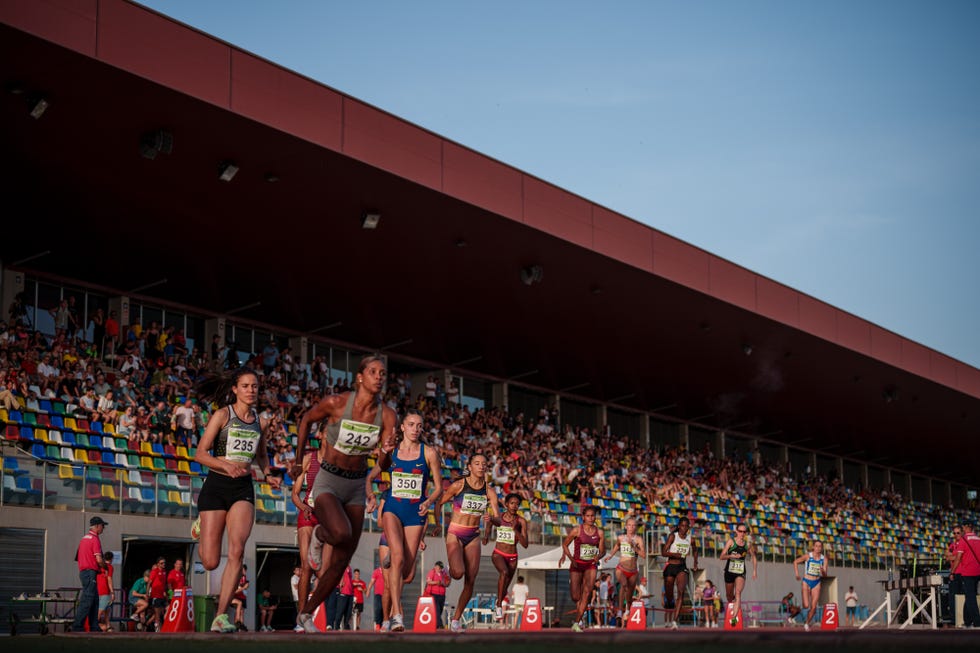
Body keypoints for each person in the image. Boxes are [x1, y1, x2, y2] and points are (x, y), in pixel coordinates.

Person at [289, 354, 397, 634]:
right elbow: (305, 421)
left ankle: (306, 613)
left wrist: (386, 451)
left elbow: (384, 466)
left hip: (356, 486)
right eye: (373, 371)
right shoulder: (337, 403)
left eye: (382, 373)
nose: (379, 376)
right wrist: (298, 459)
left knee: (340, 562)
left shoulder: (387, 415)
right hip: (328, 481)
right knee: (339, 533)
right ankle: (320, 535)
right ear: (360, 377)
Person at [193, 368, 281, 633]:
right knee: (209, 561)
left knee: (236, 550)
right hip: (217, 485)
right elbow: (200, 453)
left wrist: (268, 474)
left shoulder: (259, 422)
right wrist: (225, 466)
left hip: (243, 487)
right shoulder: (222, 415)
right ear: (235, 389)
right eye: (245, 386)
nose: (251, 390)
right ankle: (201, 524)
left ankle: (221, 616)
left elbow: (262, 456)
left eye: (255, 386)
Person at [366, 409, 442, 632]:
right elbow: (370, 477)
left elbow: (438, 488)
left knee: (407, 572)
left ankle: (395, 554)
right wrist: (371, 496)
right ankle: (397, 615)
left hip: (416, 512)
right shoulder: (392, 451)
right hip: (393, 508)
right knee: (398, 557)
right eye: (411, 424)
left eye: (419, 425)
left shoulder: (429, 453)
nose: (415, 429)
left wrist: (428, 503)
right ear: (402, 427)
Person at [439, 452, 502, 632]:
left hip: (473, 535)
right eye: (477, 463)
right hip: (455, 532)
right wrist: (436, 524)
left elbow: (499, 519)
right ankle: (449, 569)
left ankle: (456, 620)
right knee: (458, 573)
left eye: (484, 463)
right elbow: (439, 503)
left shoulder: (489, 492)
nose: (481, 466)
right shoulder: (458, 485)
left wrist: (492, 519)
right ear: (469, 467)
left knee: (471, 580)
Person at [559, 504, 605, 632]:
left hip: (591, 565)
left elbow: (603, 551)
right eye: (588, 516)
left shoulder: (599, 532)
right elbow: (565, 545)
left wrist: (598, 556)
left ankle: (577, 622)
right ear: (583, 517)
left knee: (587, 592)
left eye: (593, 516)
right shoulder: (576, 530)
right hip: (577, 564)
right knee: (575, 596)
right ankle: (581, 612)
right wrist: (571, 559)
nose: (591, 518)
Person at [485, 492, 529, 620]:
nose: (515, 506)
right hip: (498, 553)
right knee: (503, 572)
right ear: (506, 504)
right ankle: (499, 605)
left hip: (512, 557)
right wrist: (486, 536)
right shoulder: (500, 518)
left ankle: (498, 600)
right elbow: (490, 522)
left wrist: (515, 530)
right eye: (512, 503)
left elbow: (525, 544)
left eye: (517, 504)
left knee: (505, 588)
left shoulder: (521, 521)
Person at [290, 447, 321, 621]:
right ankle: (301, 616)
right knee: (306, 566)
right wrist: (304, 507)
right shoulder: (310, 460)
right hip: (308, 514)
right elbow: (295, 494)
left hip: (326, 516)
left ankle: (318, 614)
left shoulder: (337, 460)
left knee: (323, 570)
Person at [604, 517, 645, 626]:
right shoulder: (621, 538)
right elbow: (617, 546)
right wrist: (610, 556)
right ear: (626, 526)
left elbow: (643, 555)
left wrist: (634, 547)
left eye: (634, 525)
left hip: (633, 571)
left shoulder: (638, 539)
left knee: (630, 596)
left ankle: (627, 609)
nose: (631, 527)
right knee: (624, 584)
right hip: (621, 568)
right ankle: (619, 611)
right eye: (629, 525)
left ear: (636, 527)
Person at [662, 516, 699, 629]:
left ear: (688, 527)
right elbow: (663, 552)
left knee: (681, 591)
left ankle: (674, 621)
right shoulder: (673, 536)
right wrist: (674, 554)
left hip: (682, 566)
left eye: (686, 526)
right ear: (679, 526)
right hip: (670, 566)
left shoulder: (690, 539)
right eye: (682, 526)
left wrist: (695, 562)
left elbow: (695, 550)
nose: (684, 528)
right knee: (669, 591)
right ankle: (670, 603)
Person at [72, 515, 107, 633]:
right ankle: (77, 626)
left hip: (84, 572)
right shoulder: (95, 539)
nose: (103, 528)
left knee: (94, 600)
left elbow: (78, 557)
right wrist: (105, 566)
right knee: (87, 599)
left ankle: (94, 626)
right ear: (97, 526)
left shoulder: (83, 539)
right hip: (90, 573)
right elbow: (99, 559)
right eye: (102, 526)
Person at [720, 523, 757, 627]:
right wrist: (731, 555)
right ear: (736, 531)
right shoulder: (731, 542)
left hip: (740, 572)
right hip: (729, 571)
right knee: (729, 596)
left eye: (744, 532)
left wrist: (754, 571)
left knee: (738, 593)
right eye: (740, 531)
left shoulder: (747, 544)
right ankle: (732, 607)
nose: (742, 534)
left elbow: (753, 557)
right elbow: (721, 556)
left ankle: (733, 618)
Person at [950, 521, 980, 628]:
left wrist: (952, 571)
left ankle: (977, 621)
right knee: (969, 595)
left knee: (970, 596)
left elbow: (958, 558)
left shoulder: (964, 540)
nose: (961, 530)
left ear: (966, 527)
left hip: (968, 572)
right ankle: (967, 621)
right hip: (978, 571)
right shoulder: (978, 539)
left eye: (962, 528)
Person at [793, 540, 828, 631]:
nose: (818, 548)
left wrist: (823, 571)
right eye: (816, 546)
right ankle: (797, 612)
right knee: (806, 605)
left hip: (816, 582)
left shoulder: (824, 559)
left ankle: (807, 623)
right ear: (813, 547)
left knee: (813, 607)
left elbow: (825, 575)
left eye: (820, 546)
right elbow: (795, 562)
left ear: (822, 548)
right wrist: (797, 574)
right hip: (806, 581)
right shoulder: (808, 556)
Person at [424, 561, 450, 630]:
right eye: (439, 567)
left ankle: (435, 625)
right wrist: (436, 582)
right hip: (434, 594)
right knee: (437, 610)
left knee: (440, 610)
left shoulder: (443, 574)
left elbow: (447, 584)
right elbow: (428, 581)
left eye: (441, 568)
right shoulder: (432, 572)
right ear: (435, 566)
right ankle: (440, 625)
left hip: (442, 595)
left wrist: (443, 583)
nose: (440, 569)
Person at [147, 557, 168, 631]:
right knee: (157, 614)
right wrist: (147, 594)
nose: (163, 564)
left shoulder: (164, 572)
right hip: (155, 596)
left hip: (162, 595)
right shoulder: (154, 571)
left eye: (164, 563)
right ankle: (157, 628)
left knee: (168, 609)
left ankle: (149, 624)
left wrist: (165, 593)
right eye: (162, 563)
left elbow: (163, 584)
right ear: (158, 564)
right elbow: (149, 583)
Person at [96, 551, 115, 632]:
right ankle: (94, 625)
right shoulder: (109, 567)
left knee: (107, 609)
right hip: (105, 591)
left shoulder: (99, 566)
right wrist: (112, 592)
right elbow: (109, 579)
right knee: (100, 611)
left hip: (97, 590)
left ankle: (108, 625)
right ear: (111, 559)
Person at [367, 562, 387, 631]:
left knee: (384, 610)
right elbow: (372, 581)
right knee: (378, 608)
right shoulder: (376, 571)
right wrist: (368, 590)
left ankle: (383, 624)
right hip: (378, 594)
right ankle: (378, 624)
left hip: (386, 594)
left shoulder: (387, 571)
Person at [230, 564, 249, 631]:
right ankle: (237, 623)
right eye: (241, 570)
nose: (242, 571)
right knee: (239, 607)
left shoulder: (244, 577)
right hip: (235, 597)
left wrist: (245, 587)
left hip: (242, 597)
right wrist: (243, 588)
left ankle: (241, 625)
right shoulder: (237, 578)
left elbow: (244, 587)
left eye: (244, 570)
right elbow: (235, 591)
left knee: (242, 611)